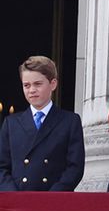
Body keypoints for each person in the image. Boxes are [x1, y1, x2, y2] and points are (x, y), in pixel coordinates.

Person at [0, 56, 84, 191]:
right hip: (17, 201)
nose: (31, 90)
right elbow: (2, 167)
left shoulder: (70, 121)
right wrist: (13, 195)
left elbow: (75, 167)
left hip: (53, 201)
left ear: (53, 84)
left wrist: (52, 196)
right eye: (26, 85)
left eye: (38, 84)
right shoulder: (11, 124)